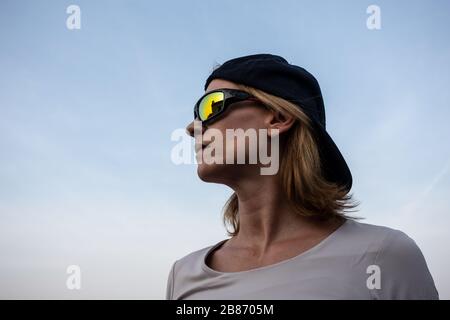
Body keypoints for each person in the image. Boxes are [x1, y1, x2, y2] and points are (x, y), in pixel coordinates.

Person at [165, 54, 439, 299]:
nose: (192, 127)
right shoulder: (183, 275)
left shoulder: (385, 256)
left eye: (211, 106)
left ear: (279, 117)